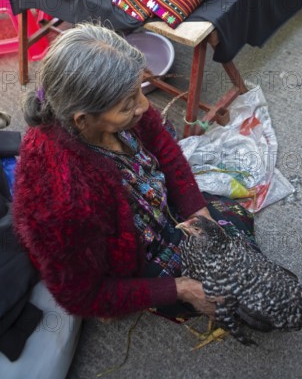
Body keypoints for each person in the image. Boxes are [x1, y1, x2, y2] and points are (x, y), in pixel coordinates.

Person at [13, 23, 256, 321]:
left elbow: (165, 148)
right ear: (83, 120)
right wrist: (180, 288)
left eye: (140, 91)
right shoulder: (63, 202)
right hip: (136, 255)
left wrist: (199, 212)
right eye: (129, 105)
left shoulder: (119, 113)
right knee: (225, 296)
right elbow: (83, 297)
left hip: (160, 212)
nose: (144, 107)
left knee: (236, 229)